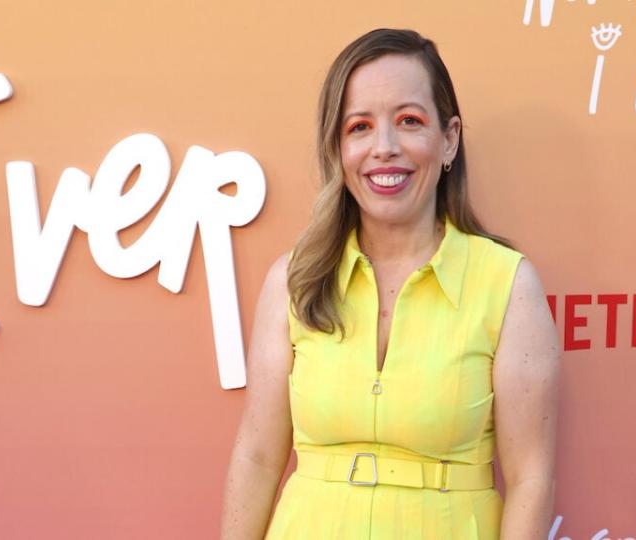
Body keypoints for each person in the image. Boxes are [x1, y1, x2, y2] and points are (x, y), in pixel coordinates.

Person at [221, 28, 560, 539]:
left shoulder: (508, 285)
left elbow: (531, 479)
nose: (384, 148)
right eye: (359, 126)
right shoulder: (293, 281)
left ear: (448, 139)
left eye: (409, 121)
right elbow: (258, 457)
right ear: (338, 147)